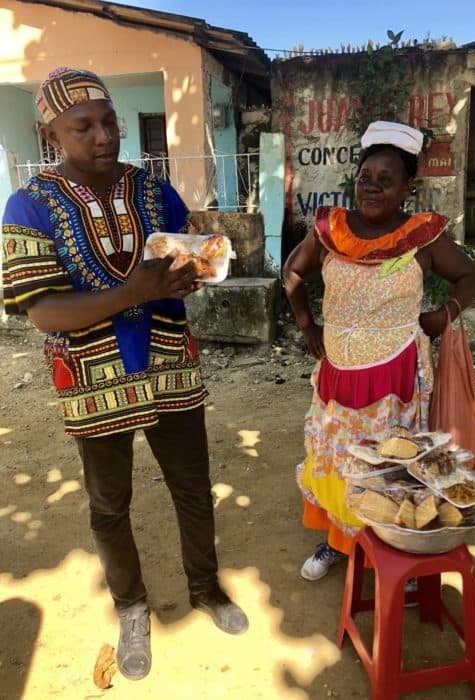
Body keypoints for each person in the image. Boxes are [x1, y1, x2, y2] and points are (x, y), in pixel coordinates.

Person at [1, 67, 248, 682]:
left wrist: (190, 272)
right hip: (92, 373)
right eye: (82, 126)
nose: (103, 135)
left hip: (168, 360)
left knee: (192, 485)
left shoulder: (152, 189)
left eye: (108, 121)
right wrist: (130, 289)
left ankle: (206, 588)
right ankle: (132, 609)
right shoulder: (29, 204)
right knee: (110, 504)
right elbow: (41, 310)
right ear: (49, 132)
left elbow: (181, 255)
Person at [283, 120, 475, 581]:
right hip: (338, 371)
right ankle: (338, 542)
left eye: (385, 180)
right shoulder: (330, 229)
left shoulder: (424, 238)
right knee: (338, 456)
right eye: (365, 177)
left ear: (407, 187)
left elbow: (470, 277)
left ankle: (393, 549)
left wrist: (446, 313)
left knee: (391, 464)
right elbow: (293, 273)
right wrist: (307, 325)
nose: (371, 187)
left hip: (396, 374)